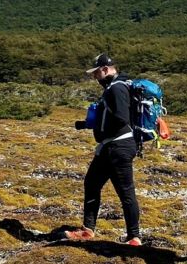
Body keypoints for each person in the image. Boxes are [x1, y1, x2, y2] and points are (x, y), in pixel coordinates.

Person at [64, 53, 143, 246]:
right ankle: (88, 230)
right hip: (112, 146)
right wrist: (88, 124)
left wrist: (99, 127)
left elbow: (121, 118)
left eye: (96, 73)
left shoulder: (117, 89)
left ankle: (134, 237)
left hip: (118, 147)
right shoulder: (116, 87)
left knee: (125, 192)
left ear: (105, 69)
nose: (95, 77)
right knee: (92, 184)